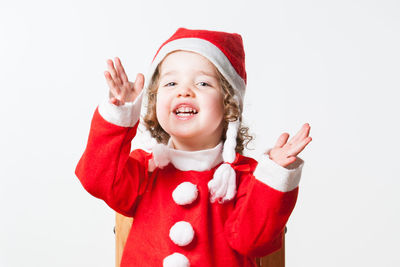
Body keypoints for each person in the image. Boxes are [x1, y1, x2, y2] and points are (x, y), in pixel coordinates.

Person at [75, 27, 312, 267]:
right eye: (171, 83)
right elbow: (96, 177)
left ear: (229, 105)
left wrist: (274, 175)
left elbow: (254, 241)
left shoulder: (246, 179)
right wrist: (120, 115)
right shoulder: (144, 170)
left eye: (202, 83)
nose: (184, 91)